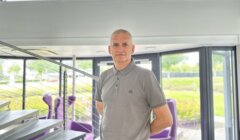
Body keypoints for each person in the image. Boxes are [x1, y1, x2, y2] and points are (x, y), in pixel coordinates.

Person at [95, 29, 173, 140]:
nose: (120, 49)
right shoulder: (104, 76)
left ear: (132, 48)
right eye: (115, 45)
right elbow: (101, 107)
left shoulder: (146, 76)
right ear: (109, 49)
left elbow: (166, 120)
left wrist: (142, 133)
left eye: (125, 44)